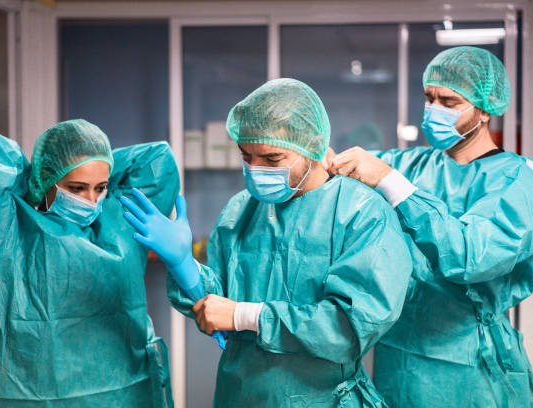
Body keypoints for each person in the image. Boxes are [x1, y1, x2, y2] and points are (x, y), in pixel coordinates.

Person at [121, 78, 413, 407]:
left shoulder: (361, 213)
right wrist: (183, 265)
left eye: (272, 159)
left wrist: (248, 316)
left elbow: (349, 328)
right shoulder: (240, 210)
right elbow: (217, 309)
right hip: (241, 395)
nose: (255, 170)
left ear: (313, 147)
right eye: (247, 157)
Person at [328, 46, 533, 407]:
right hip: (397, 352)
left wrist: (390, 182)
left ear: (484, 109)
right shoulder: (414, 163)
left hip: (465, 364)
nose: (434, 109)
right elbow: (349, 185)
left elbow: (469, 257)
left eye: (449, 101)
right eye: (429, 98)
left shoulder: (516, 180)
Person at [0, 119, 178, 407]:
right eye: (77, 187)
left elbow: (157, 160)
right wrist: (35, 178)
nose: (90, 200)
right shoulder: (10, 231)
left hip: (121, 396)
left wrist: (97, 160)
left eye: (100, 187)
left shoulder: (119, 225)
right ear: (47, 179)